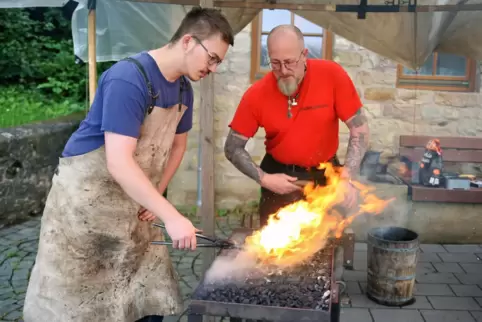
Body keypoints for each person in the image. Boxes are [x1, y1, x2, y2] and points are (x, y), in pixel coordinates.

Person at [23, 7, 234, 322]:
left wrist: (157, 197)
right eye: (213, 58)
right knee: (80, 309)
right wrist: (171, 216)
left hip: (136, 206)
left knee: (145, 299)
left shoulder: (183, 90)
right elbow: (119, 162)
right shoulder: (129, 79)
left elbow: (177, 147)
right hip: (88, 210)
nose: (214, 68)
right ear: (189, 41)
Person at [224, 24, 369, 227]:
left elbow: (359, 129)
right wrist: (264, 179)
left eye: (290, 62)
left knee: (325, 244)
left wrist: (346, 178)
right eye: (275, 63)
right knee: (275, 249)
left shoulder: (332, 75)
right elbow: (232, 148)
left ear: (304, 55)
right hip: (279, 177)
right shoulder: (256, 95)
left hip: (325, 176)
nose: (283, 71)